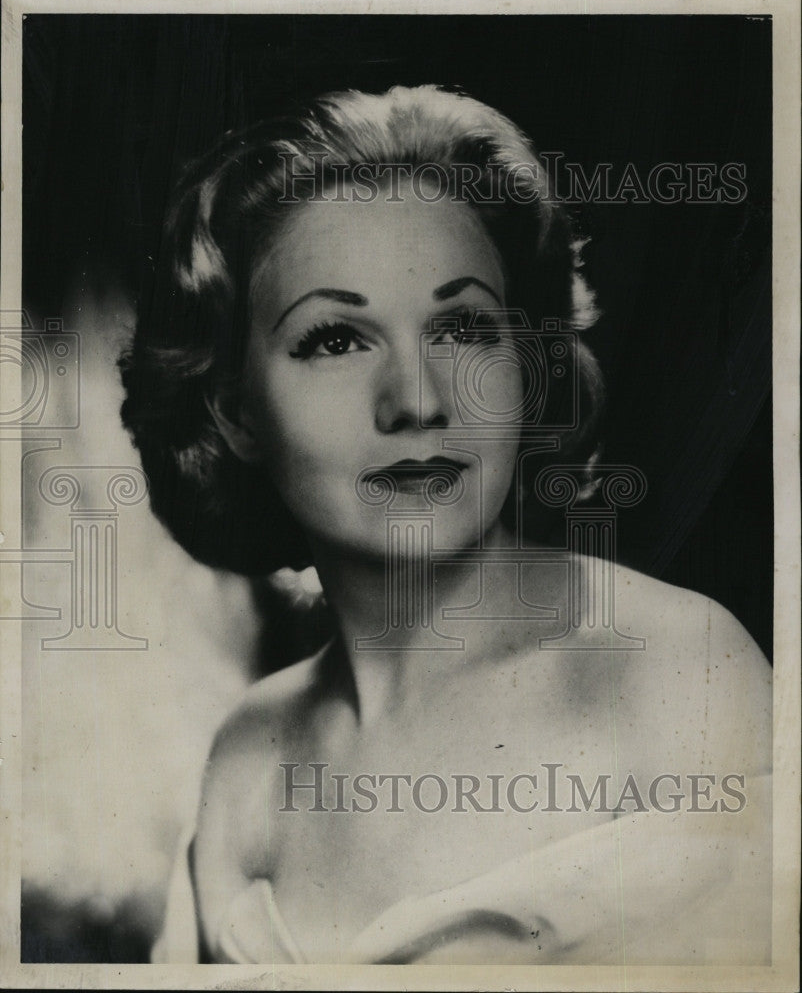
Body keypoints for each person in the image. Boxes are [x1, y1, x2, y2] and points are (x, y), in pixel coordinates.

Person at [120, 85, 771, 965]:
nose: (419, 401)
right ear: (235, 410)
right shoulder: (245, 761)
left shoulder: (674, 672)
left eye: (463, 327)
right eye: (336, 340)